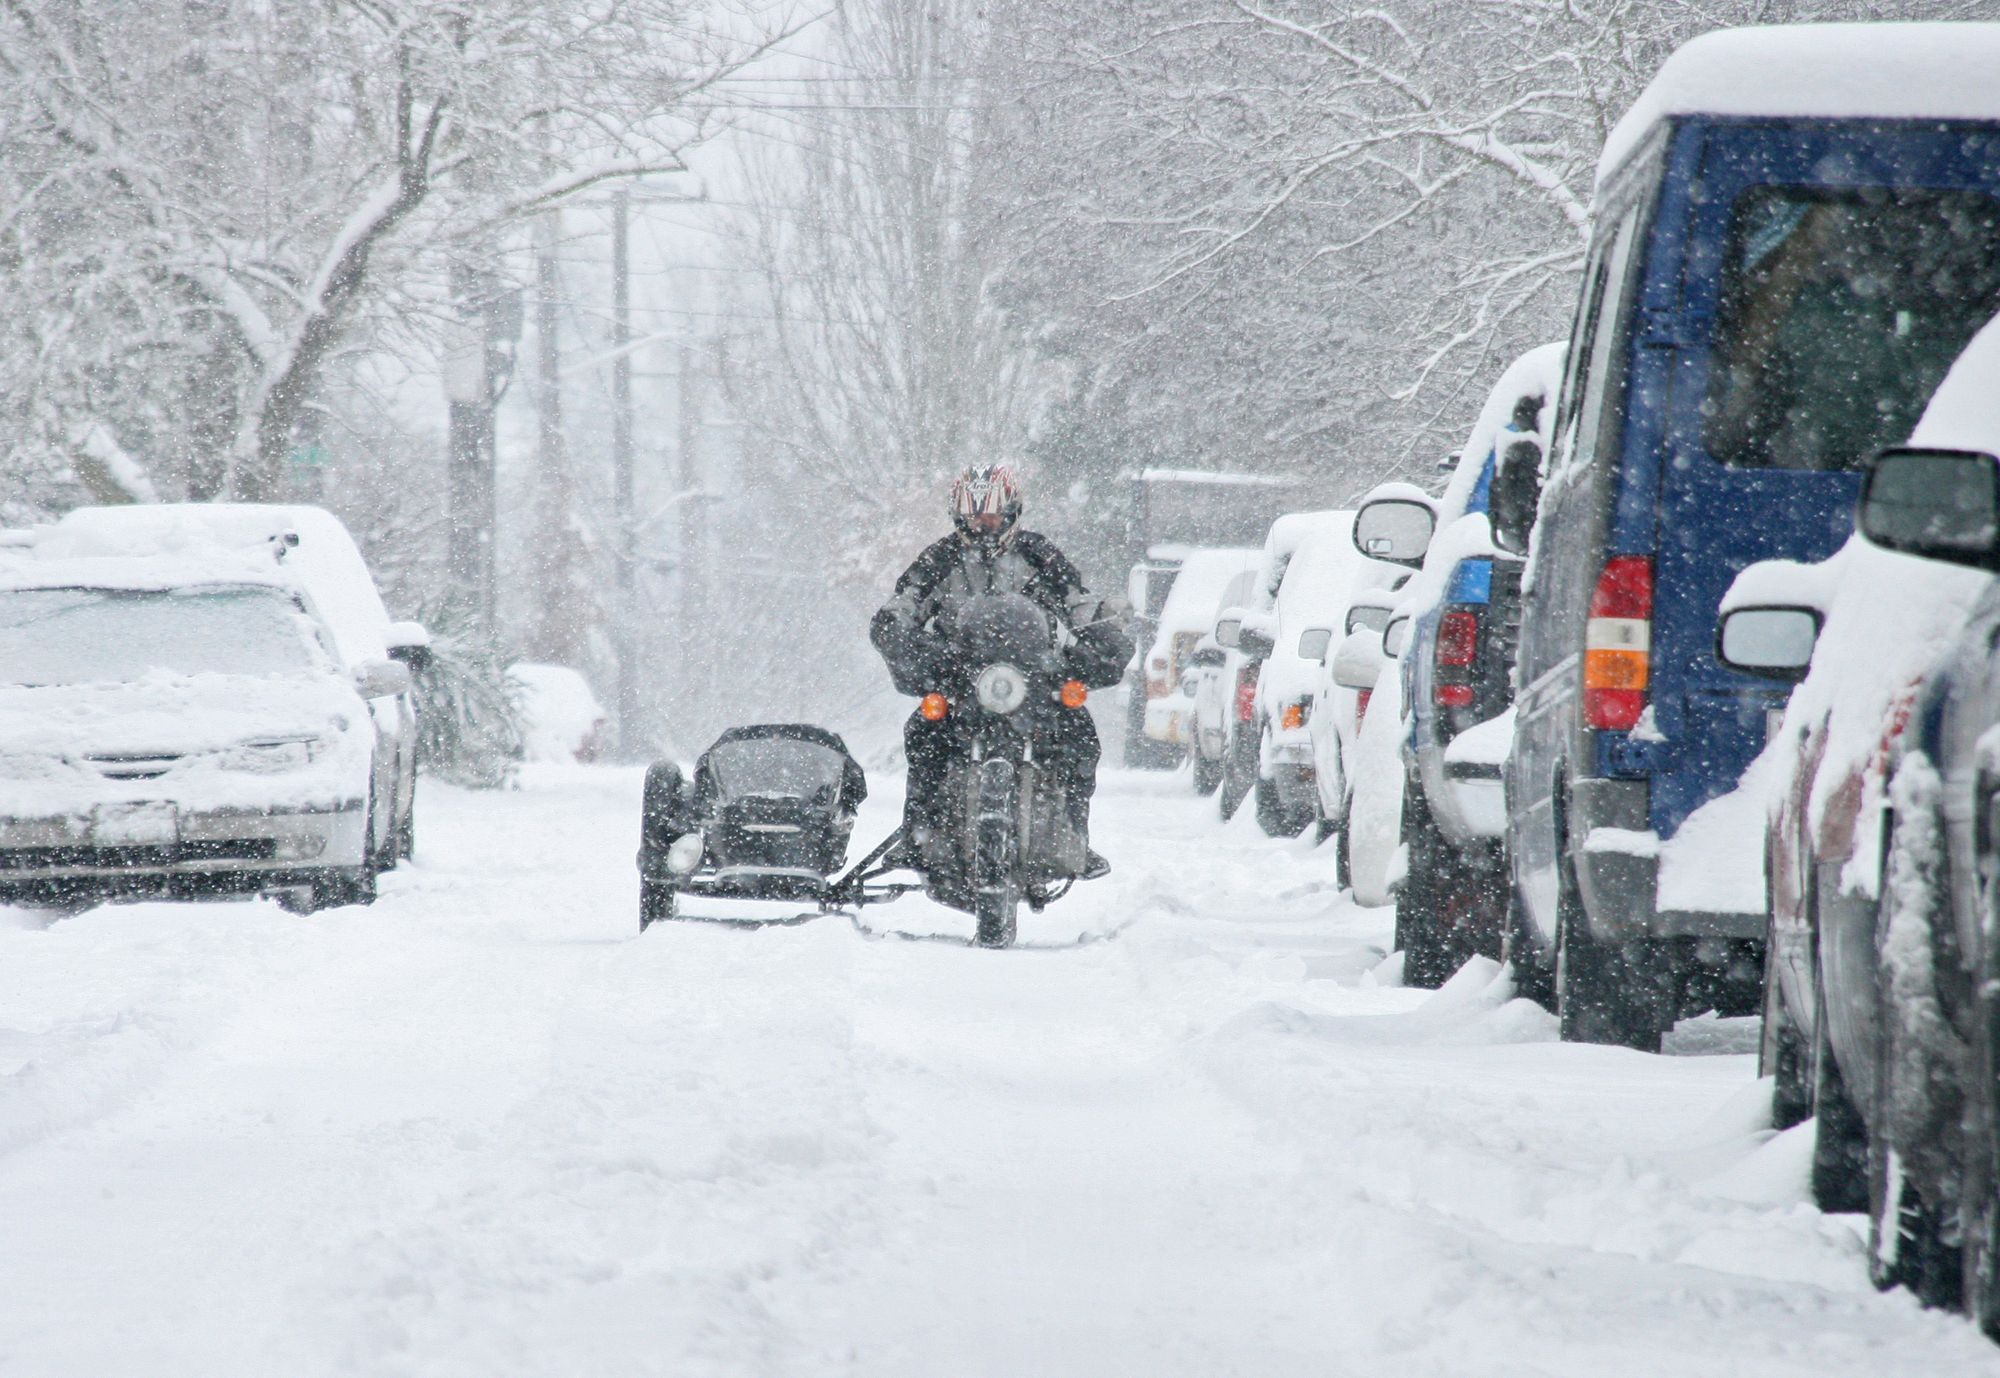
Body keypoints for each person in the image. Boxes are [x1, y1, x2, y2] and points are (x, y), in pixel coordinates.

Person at [870, 463, 1131, 878]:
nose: (983, 525)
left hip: (1036, 679)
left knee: (1079, 736)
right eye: (974, 517)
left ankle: (1075, 837)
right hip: (962, 677)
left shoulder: (1039, 556)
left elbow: (1079, 603)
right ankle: (917, 834)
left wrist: (1104, 633)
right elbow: (904, 605)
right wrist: (901, 637)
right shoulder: (941, 558)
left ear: (1012, 513)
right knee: (924, 734)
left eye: (991, 516)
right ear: (959, 518)